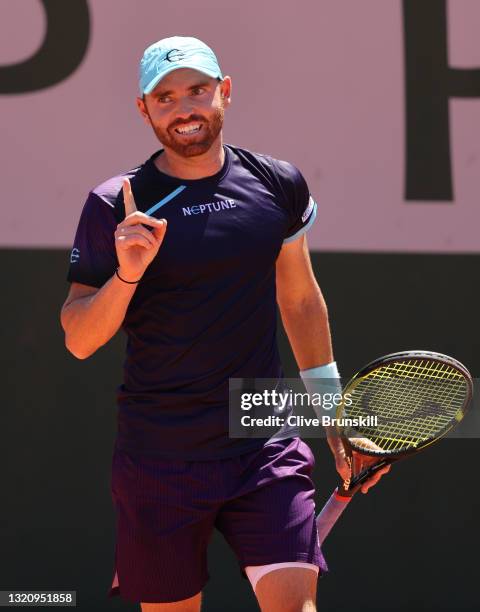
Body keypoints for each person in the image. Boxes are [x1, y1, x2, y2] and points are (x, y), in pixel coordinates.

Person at [60, 36, 388, 612]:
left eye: (197, 91)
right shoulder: (115, 203)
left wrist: (336, 412)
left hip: (263, 440)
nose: (183, 109)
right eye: (165, 98)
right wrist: (129, 274)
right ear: (144, 109)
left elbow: (301, 300)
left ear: (224, 92)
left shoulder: (277, 183)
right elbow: (80, 339)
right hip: (159, 455)